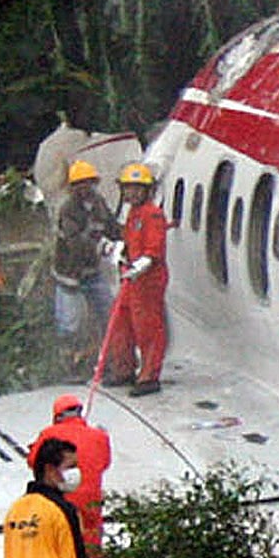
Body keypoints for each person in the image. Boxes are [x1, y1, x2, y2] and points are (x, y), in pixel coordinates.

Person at [102, 163, 169, 395]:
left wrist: (141, 264)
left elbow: (154, 248)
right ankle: (124, 369)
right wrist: (118, 250)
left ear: (146, 190)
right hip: (131, 279)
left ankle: (149, 376)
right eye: (128, 188)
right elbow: (130, 241)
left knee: (147, 327)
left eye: (136, 189)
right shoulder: (133, 213)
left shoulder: (152, 214)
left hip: (148, 281)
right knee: (121, 323)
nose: (131, 193)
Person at [49, 160, 120, 373]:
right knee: (70, 324)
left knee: (109, 313)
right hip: (68, 276)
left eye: (88, 182)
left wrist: (126, 239)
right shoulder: (68, 210)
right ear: (72, 188)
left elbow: (111, 227)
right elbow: (76, 242)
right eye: (79, 184)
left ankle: (109, 359)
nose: (84, 187)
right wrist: (102, 248)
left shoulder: (99, 203)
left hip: (92, 273)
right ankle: (67, 365)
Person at [27, 394, 114, 556]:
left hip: (60, 499)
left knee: (61, 543)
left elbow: (34, 462)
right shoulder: (100, 436)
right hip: (91, 499)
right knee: (91, 540)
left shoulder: (48, 434)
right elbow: (105, 463)